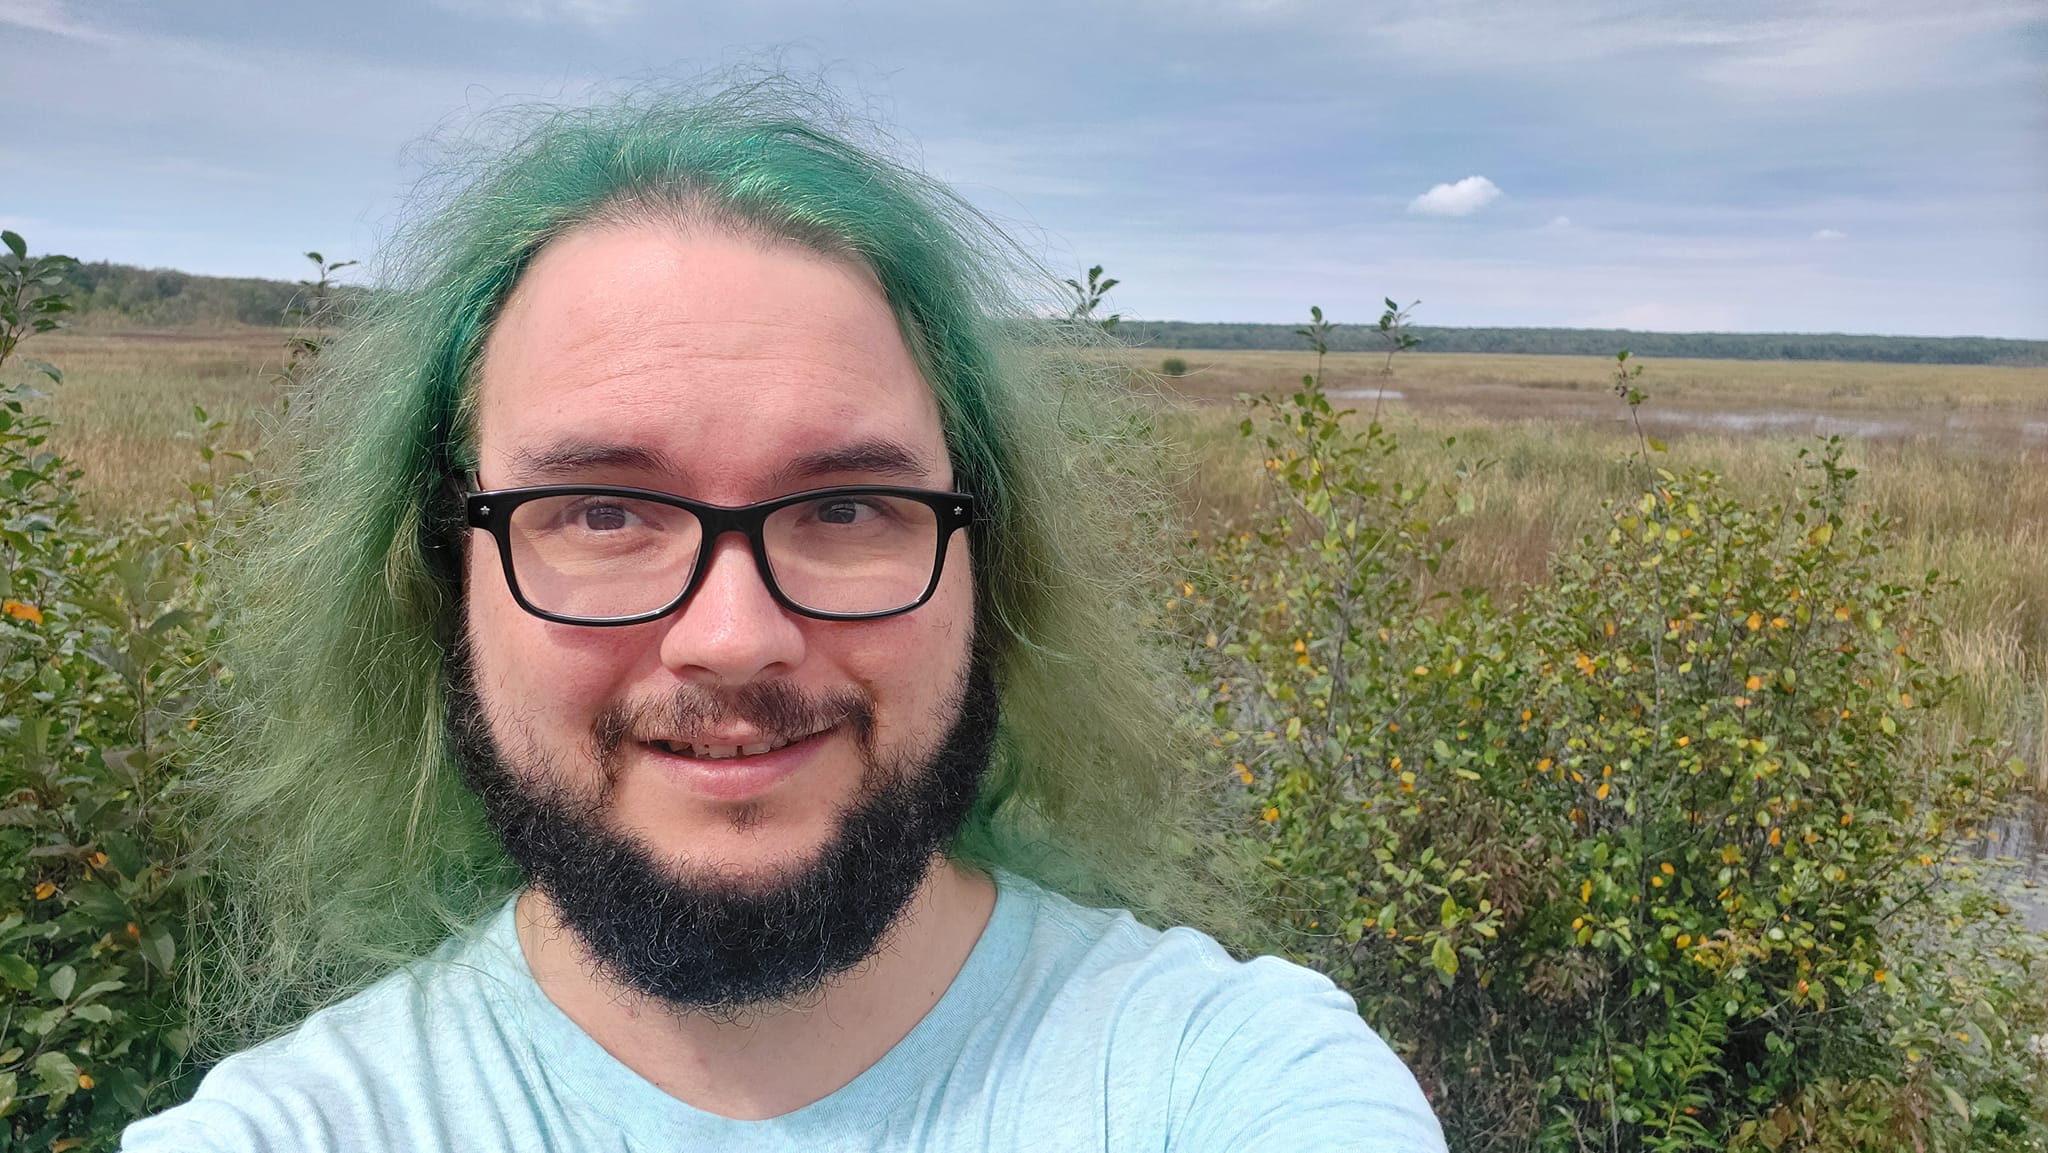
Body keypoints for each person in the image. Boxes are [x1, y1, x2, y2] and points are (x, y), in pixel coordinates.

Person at [121, 83, 1445, 1152]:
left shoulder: (1227, 1078)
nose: (735, 636)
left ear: (990, 568)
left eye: (850, 506)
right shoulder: (303, 1126)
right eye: (598, 510)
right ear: (441, 572)